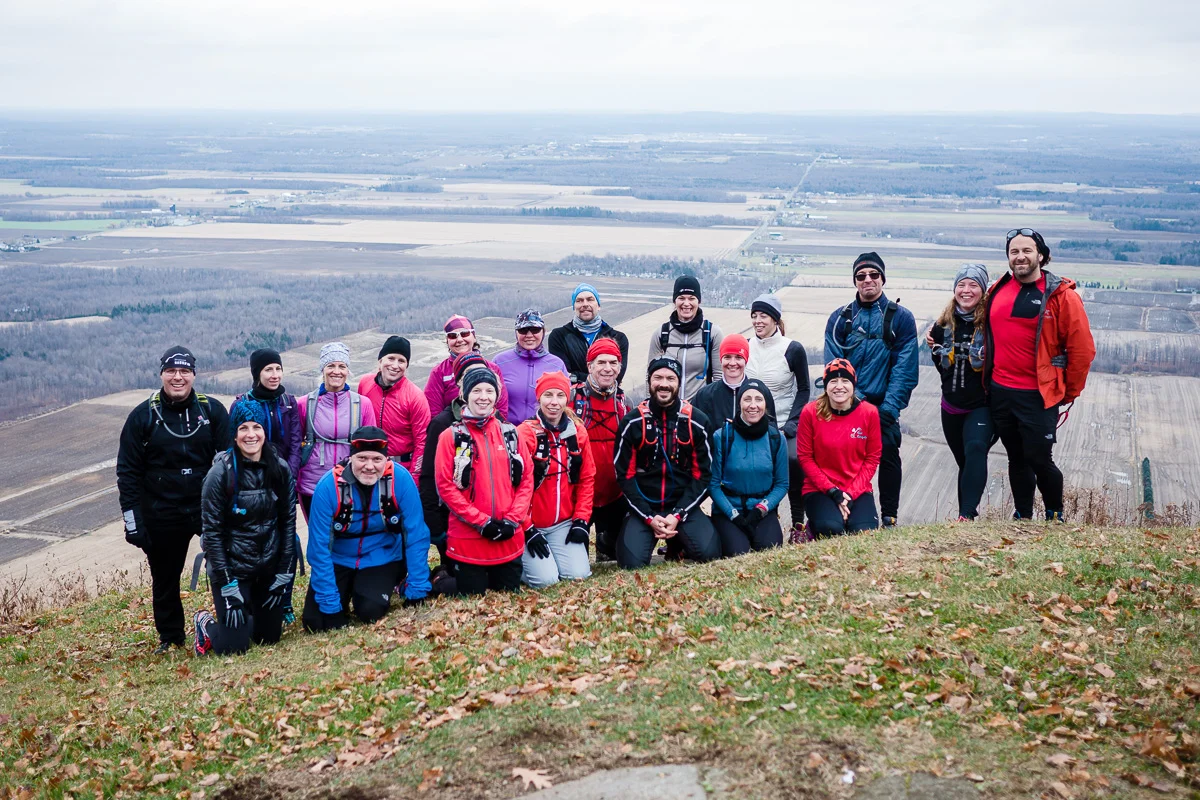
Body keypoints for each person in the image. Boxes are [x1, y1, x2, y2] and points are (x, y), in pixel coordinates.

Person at [116, 346, 230, 653]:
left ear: (194, 375)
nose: (178, 377)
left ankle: (231, 621)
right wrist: (133, 522)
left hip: (206, 507)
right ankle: (171, 638)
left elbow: (230, 464)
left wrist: (232, 509)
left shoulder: (212, 411)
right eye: (171, 371)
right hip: (161, 511)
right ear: (161, 374)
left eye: (184, 371)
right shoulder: (142, 416)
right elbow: (127, 473)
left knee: (226, 566)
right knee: (165, 578)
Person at [984, 229, 1095, 521]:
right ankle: (1022, 516)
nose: (1020, 257)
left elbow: (1082, 350)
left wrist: (1068, 391)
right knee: (1016, 457)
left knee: (1039, 458)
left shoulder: (1062, 296)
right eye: (1014, 252)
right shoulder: (997, 289)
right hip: (1001, 391)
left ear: (1042, 256)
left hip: (1038, 395)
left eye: (1027, 251)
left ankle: (1054, 515)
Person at [302, 426, 431, 631]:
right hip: (340, 558)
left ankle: (397, 584)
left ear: (386, 459)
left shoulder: (401, 479)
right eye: (362, 458)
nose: (369, 466)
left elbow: (416, 535)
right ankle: (340, 596)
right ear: (351, 458)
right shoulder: (328, 487)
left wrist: (417, 590)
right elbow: (319, 549)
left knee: (370, 611)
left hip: (382, 556)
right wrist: (331, 607)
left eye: (377, 459)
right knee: (316, 623)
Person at [193, 400, 296, 656]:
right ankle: (205, 622)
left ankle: (250, 613)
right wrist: (228, 584)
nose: (251, 435)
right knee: (233, 647)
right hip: (233, 570)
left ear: (264, 431)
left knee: (268, 639)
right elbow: (212, 534)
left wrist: (283, 572)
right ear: (234, 434)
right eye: (243, 428)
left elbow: (287, 522)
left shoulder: (280, 469)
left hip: (268, 568)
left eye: (256, 427)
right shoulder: (220, 474)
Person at [823, 253, 918, 528]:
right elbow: (834, 367)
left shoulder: (900, 318)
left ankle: (889, 517)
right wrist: (856, 402)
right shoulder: (840, 319)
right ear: (854, 281)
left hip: (884, 407)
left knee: (888, 453)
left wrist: (888, 409)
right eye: (861, 276)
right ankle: (839, 513)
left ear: (882, 279)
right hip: (845, 404)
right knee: (836, 456)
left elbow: (905, 368)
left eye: (874, 275)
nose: (868, 280)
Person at [434, 366, 535, 594]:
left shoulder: (511, 433)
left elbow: (526, 480)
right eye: (476, 391)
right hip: (468, 539)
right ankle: (439, 578)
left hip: (508, 536)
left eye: (489, 391)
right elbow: (446, 487)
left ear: (497, 396)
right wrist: (482, 523)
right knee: (472, 593)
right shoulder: (450, 437)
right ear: (465, 395)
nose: (483, 397)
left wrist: (512, 520)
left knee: (507, 592)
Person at [612, 357, 718, 568]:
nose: (664, 384)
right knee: (631, 564)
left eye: (670, 378)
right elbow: (624, 477)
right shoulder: (632, 422)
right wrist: (648, 517)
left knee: (710, 553)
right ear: (649, 381)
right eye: (658, 377)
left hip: (682, 507)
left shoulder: (697, 421)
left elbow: (704, 476)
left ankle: (678, 542)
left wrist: (678, 514)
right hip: (645, 508)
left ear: (679, 382)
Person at [927, 264, 994, 521]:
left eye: (973, 285)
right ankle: (965, 522)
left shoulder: (992, 323)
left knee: (976, 448)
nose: (966, 290)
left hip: (982, 405)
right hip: (951, 407)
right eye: (961, 285)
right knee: (965, 462)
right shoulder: (941, 326)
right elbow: (941, 367)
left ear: (983, 290)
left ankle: (967, 514)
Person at [517, 371, 597, 587]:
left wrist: (581, 520)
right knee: (546, 580)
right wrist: (526, 527)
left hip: (563, 523)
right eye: (548, 395)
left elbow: (587, 479)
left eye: (560, 395)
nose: (554, 402)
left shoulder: (578, 433)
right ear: (539, 398)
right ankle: (515, 564)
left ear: (567, 398)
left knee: (579, 574)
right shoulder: (524, 434)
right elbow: (512, 487)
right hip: (530, 525)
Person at [744, 293, 811, 537]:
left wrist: (792, 423)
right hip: (752, 423)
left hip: (784, 423)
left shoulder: (792, 349)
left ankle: (798, 525)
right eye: (754, 315)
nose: (757, 321)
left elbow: (804, 389)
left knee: (793, 463)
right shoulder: (746, 346)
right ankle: (756, 521)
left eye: (763, 315)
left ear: (775, 319)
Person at [797, 360, 882, 537]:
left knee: (864, 533)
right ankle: (811, 530)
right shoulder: (810, 412)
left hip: (857, 489)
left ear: (853, 384)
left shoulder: (869, 413)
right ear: (826, 386)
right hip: (819, 489)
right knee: (830, 529)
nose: (839, 386)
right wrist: (833, 491)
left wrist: (849, 494)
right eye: (833, 381)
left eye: (845, 381)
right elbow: (805, 458)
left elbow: (872, 459)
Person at [709, 379, 788, 556]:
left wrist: (761, 509)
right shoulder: (722, 436)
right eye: (747, 399)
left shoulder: (776, 438)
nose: (753, 405)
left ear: (766, 404)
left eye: (758, 399)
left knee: (770, 549)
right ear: (740, 403)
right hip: (729, 510)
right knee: (737, 553)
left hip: (761, 510)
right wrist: (733, 514)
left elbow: (782, 484)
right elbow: (713, 485)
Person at [296, 342, 376, 517]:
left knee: (349, 532)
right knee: (317, 532)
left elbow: (371, 447)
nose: (336, 371)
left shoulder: (362, 404)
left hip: (351, 482)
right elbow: (295, 445)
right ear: (322, 369)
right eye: (331, 365)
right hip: (312, 485)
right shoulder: (304, 404)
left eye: (342, 366)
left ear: (348, 371)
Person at [570, 338, 631, 561]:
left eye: (613, 363)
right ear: (589, 366)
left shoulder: (624, 402)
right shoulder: (571, 398)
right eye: (601, 362)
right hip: (578, 495)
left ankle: (606, 544)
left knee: (622, 558)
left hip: (615, 494)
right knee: (576, 565)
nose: (608, 368)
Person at [356, 335, 431, 473]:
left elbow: (422, 442)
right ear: (380, 361)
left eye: (401, 361)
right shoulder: (365, 384)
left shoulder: (415, 397)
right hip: (369, 466)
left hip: (401, 468)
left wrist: (414, 476)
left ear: (406, 366)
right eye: (391, 358)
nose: (395, 366)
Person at [647, 275, 725, 402]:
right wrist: (649, 405)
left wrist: (714, 407)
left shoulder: (712, 333)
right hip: (667, 407)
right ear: (675, 301)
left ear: (699, 301)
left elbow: (719, 377)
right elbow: (650, 376)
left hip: (700, 408)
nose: (686, 303)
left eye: (691, 298)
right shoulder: (662, 334)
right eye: (681, 298)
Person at [424, 315, 509, 420]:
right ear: (447, 341)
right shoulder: (439, 372)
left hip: (488, 427)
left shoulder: (492, 368)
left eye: (465, 333)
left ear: (474, 337)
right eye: (452, 336)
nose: (459, 339)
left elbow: (501, 408)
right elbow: (433, 411)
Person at [235, 348, 303, 478]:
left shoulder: (288, 402)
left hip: (285, 473)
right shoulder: (242, 404)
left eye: (278, 369)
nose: (275, 375)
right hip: (253, 476)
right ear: (257, 373)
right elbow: (235, 445)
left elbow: (295, 443)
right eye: (268, 370)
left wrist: (289, 475)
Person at [692, 333, 776, 439]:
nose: (732, 363)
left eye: (738, 357)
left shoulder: (760, 392)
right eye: (727, 357)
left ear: (746, 360)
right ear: (721, 360)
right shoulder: (704, 395)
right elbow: (695, 433)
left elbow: (772, 432)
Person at [494, 309, 568, 424]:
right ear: (516, 333)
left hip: (544, 430)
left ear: (543, 332)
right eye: (523, 330)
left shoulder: (557, 364)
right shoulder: (500, 362)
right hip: (507, 430)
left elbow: (565, 401)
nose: (529, 335)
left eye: (535, 330)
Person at [548, 283, 630, 385]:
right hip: (572, 394)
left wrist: (576, 376)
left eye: (590, 299)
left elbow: (616, 378)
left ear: (598, 306)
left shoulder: (618, 338)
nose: (585, 304)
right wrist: (600, 378)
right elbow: (563, 375)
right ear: (574, 307)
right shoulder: (559, 336)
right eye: (579, 301)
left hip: (608, 395)